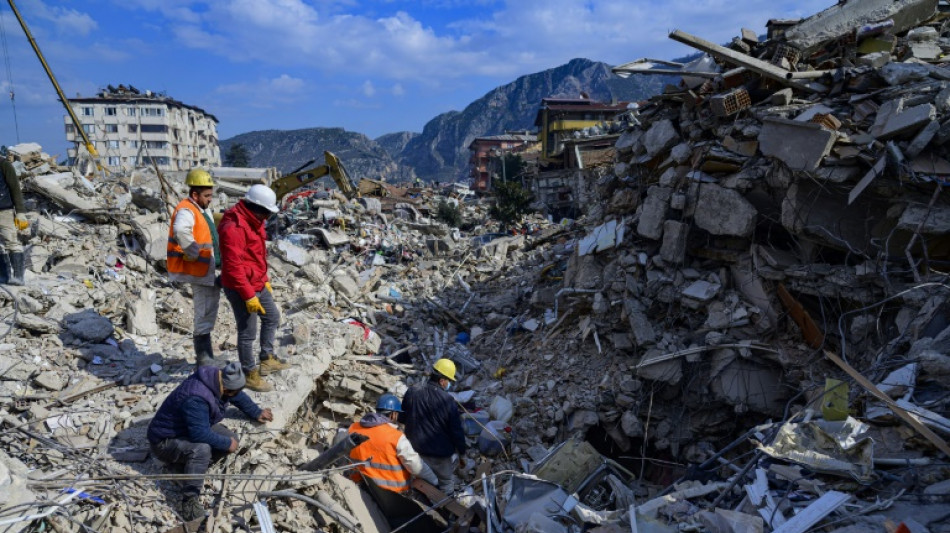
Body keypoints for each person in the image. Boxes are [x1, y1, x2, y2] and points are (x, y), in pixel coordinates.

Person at [147, 362, 273, 521]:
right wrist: (227, 444)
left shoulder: (218, 378)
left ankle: (187, 466)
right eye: (233, 392)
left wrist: (256, 412)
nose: (235, 394)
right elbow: (199, 434)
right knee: (202, 449)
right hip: (165, 441)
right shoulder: (196, 398)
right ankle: (189, 502)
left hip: (187, 428)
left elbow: (236, 395)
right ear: (226, 389)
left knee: (231, 438)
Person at [218, 184, 289, 392]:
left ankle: (266, 358)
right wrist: (249, 296)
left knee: (272, 317)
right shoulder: (234, 228)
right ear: (256, 208)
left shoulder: (253, 221)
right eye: (266, 213)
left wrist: (264, 279)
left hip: (256, 282)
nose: (267, 218)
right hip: (240, 287)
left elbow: (256, 256)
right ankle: (249, 373)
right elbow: (234, 268)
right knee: (247, 333)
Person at [167, 169, 221, 366]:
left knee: (209, 310)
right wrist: (193, 252)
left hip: (207, 269)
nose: (210, 199)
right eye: (207, 196)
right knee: (204, 313)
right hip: (199, 270)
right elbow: (180, 230)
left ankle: (207, 358)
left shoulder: (201, 209)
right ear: (195, 194)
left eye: (211, 195)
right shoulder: (186, 210)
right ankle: (204, 360)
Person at [347, 393, 438, 493]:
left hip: (358, 483)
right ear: (393, 414)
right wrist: (434, 481)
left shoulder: (354, 427)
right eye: (397, 414)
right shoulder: (396, 437)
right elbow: (416, 466)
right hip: (391, 492)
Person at [400, 359, 466, 495]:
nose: (449, 384)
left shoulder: (413, 391)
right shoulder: (448, 401)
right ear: (442, 380)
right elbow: (456, 431)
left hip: (415, 452)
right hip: (440, 457)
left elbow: (402, 418)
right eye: (449, 381)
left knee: (417, 485)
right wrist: (462, 452)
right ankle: (446, 508)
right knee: (445, 486)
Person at [0, 152, 29, 285]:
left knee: (12, 242)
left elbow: (15, 188)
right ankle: (4, 277)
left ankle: (18, 278)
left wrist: (20, 211)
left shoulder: (4, 164)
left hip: (4, 210)